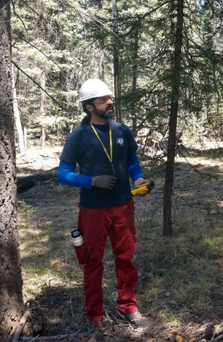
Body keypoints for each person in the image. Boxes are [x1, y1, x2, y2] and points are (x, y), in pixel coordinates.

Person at [57, 78, 153, 330]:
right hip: (93, 210)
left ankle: (129, 308)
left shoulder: (121, 131)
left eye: (109, 98)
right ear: (89, 107)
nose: (110, 103)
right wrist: (92, 181)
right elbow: (63, 174)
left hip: (123, 205)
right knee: (92, 262)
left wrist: (138, 178)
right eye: (103, 100)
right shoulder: (78, 137)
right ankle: (95, 317)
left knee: (126, 258)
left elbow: (131, 159)